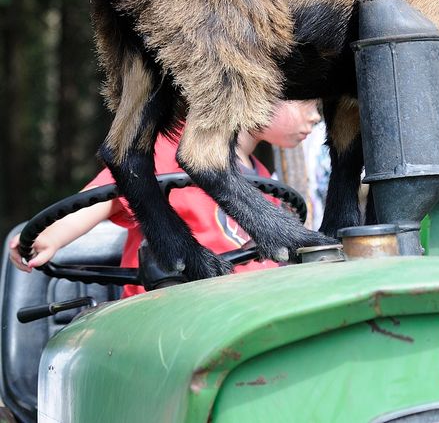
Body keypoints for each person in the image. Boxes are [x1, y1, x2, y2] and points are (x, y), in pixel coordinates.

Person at [7, 99, 323, 297]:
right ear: (258, 89)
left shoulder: (265, 181)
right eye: (306, 102)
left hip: (239, 317)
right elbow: (98, 200)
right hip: (164, 312)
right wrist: (47, 235)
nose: (315, 117)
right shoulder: (164, 152)